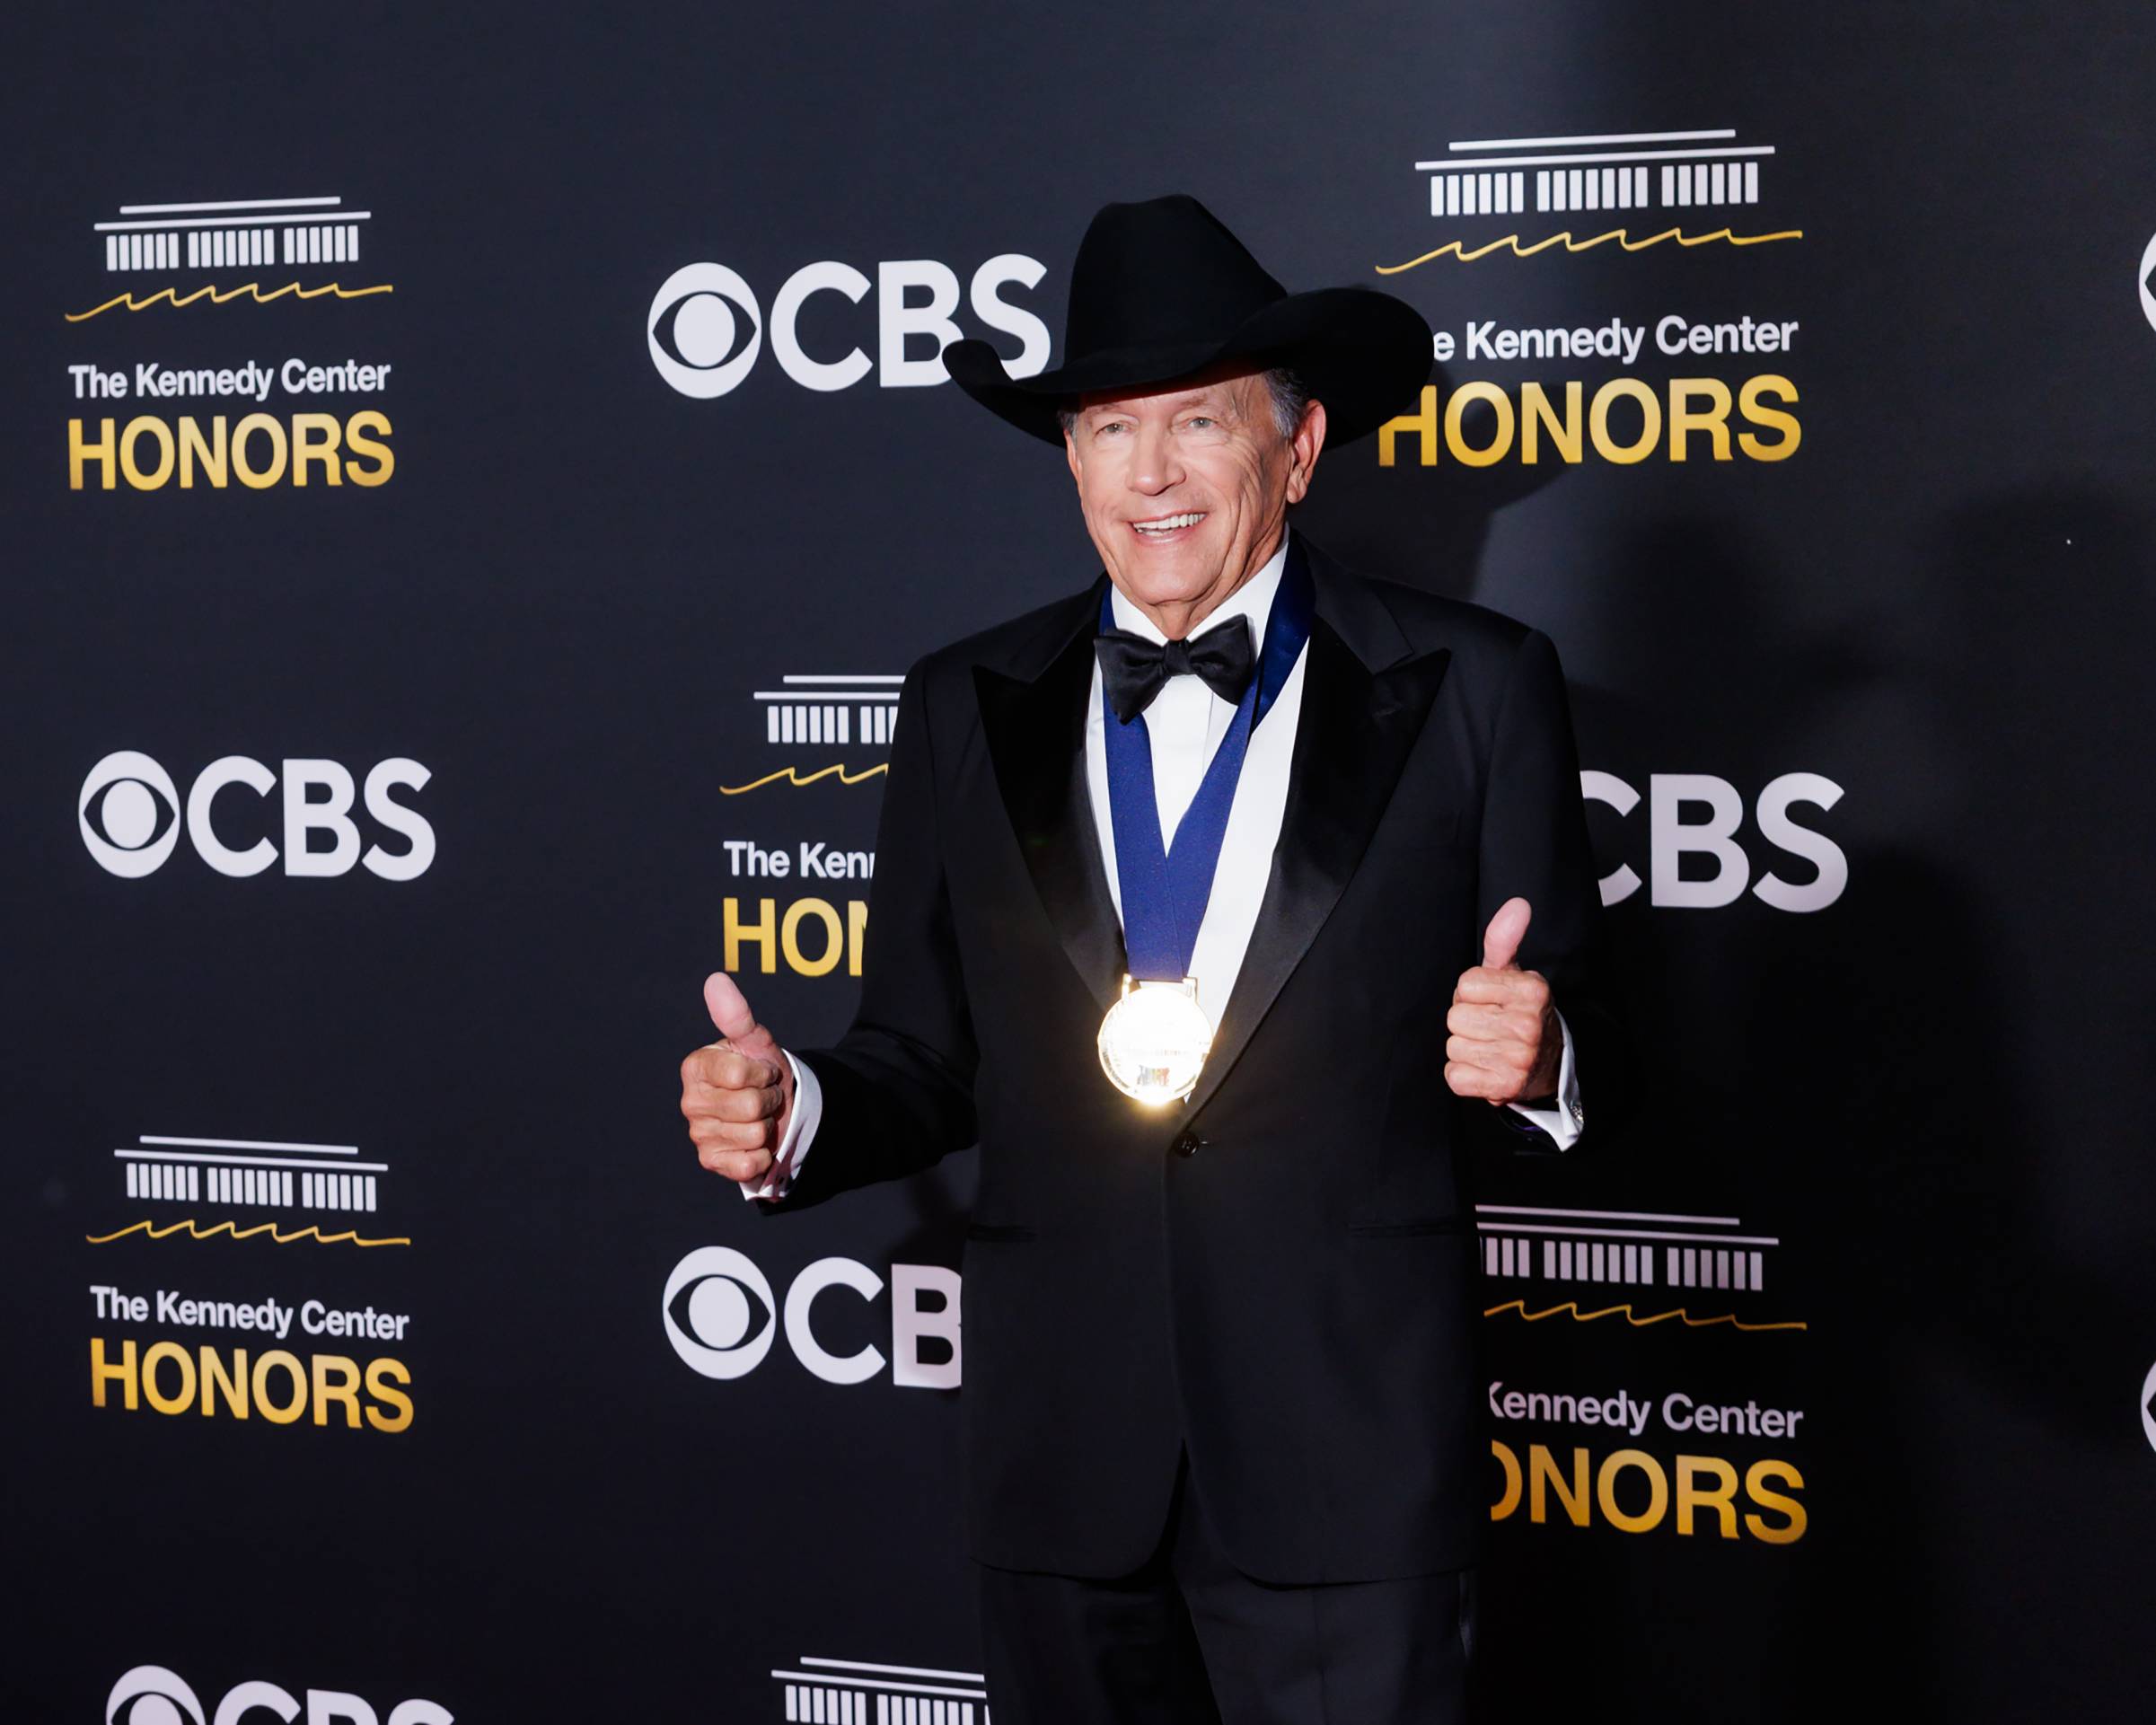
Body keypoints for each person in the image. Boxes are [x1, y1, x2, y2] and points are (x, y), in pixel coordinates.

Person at [678, 193, 1625, 1724]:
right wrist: (795, 1113)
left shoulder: (1476, 688)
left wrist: (1547, 1057)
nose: (1153, 474)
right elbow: (920, 1056)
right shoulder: (961, 701)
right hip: (1064, 1469)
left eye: (1196, 423)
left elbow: (1605, 1031)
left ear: (1297, 449)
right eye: (1111, 431)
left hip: (1348, 1468)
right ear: (1069, 460)